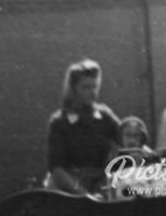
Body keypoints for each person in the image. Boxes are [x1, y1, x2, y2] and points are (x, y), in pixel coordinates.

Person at [45, 59, 120, 195]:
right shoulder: (59, 122)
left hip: (99, 186)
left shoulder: (105, 116)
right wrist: (84, 195)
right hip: (68, 190)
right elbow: (56, 171)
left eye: (94, 87)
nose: (92, 92)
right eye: (86, 87)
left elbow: (127, 136)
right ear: (73, 89)